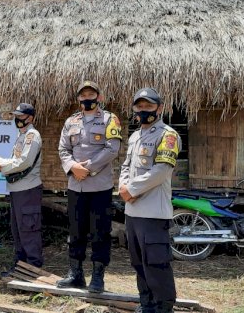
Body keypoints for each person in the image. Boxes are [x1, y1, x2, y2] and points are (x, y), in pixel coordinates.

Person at [57, 80, 123, 293]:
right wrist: (72, 166)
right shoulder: (71, 121)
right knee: (76, 232)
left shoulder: (110, 119)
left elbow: (113, 149)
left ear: (99, 97)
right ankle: (76, 274)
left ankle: (97, 277)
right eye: (83, 95)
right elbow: (63, 149)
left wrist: (89, 168)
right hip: (76, 187)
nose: (87, 98)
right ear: (78, 98)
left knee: (100, 232)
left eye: (91, 94)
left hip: (100, 187)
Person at [119, 87, 180, 313]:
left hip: (153, 213)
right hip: (132, 212)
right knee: (138, 262)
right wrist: (123, 186)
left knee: (156, 264)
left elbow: (162, 170)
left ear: (160, 108)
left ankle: (164, 307)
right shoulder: (135, 136)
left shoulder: (168, 135)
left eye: (149, 106)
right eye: (140, 106)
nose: (143, 110)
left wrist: (132, 189)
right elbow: (126, 166)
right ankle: (147, 303)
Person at [0, 103, 44, 271]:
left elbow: (24, 162)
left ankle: (33, 268)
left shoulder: (32, 136)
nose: (18, 119)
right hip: (17, 189)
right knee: (18, 230)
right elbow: (16, 160)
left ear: (31, 118)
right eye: (16, 116)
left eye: (21, 116)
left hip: (27, 189)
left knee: (28, 229)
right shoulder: (21, 136)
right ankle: (20, 267)